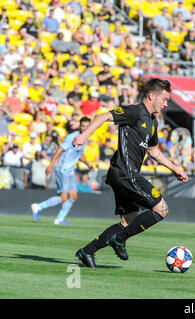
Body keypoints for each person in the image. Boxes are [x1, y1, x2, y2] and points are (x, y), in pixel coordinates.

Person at [73, 78, 188, 269]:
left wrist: (175, 168)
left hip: (125, 174)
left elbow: (154, 151)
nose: (166, 104)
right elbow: (104, 116)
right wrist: (84, 136)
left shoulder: (152, 122)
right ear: (152, 96)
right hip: (125, 173)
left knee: (128, 222)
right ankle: (118, 239)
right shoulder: (135, 111)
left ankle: (87, 251)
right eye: (165, 99)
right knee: (162, 210)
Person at [30, 117, 94, 226]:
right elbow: (60, 150)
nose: (84, 128)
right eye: (82, 126)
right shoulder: (72, 137)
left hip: (70, 170)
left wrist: (87, 163)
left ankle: (59, 219)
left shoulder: (85, 139)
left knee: (73, 196)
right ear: (79, 126)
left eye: (86, 126)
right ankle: (38, 207)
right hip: (62, 169)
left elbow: (80, 154)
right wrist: (51, 165)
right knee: (63, 197)